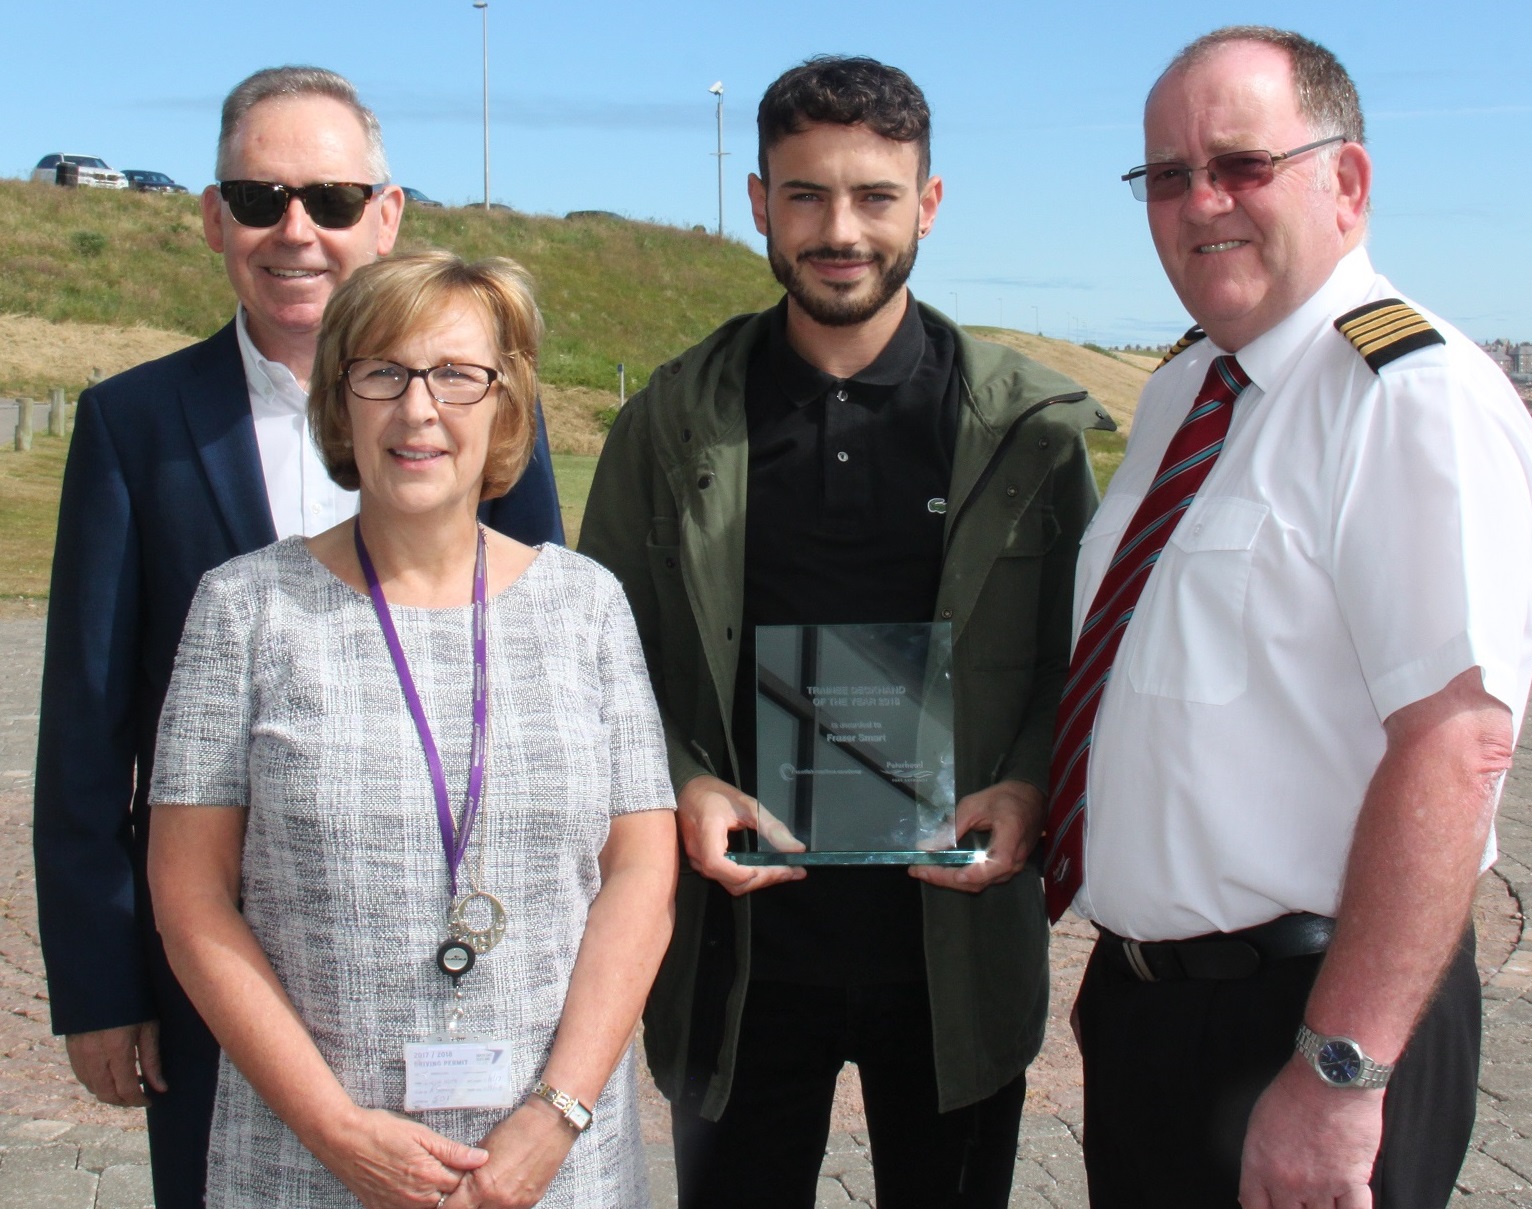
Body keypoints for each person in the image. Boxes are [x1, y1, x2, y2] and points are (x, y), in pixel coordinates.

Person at [579, 55, 1112, 1209]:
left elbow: (1080, 661)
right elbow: (599, 664)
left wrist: (1027, 783)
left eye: (874, 196)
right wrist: (681, 782)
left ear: (927, 204)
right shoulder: (668, 422)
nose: (839, 231)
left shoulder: (1027, 432)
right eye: (805, 195)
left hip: (952, 952)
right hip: (740, 955)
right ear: (757, 202)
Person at [32, 66, 564, 1208]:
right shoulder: (133, 424)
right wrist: (97, 981)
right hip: (223, 971)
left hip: (470, 977)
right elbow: (86, 726)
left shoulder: (482, 414)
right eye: (259, 197)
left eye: (330, 199)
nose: (296, 230)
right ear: (212, 216)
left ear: (387, 214)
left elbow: (534, 683)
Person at [1040, 26, 1532, 1209]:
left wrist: (1338, 1072)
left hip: (1307, 1021)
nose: (1199, 202)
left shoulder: (1408, 399)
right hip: (1151, 1013)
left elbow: (1456, 746)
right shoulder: (1183, 390)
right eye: (1166, 175)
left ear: (1346, 183)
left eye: (1239, 165)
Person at [146, 249, 677, 1208]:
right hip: (307, 1160)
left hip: (555, 1163)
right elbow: (190, 896)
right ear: (339, 398)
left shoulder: (587, 606)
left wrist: (556, 1111)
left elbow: (641, 873)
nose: (418, 409)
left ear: (506, 403)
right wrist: (333, 1128)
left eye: (457, 375)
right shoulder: (244, 609)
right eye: (383, 373)